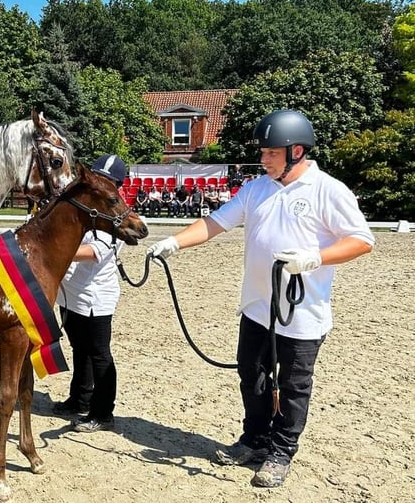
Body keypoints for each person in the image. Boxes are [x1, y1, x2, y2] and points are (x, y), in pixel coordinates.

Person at [147, 110, 374, 488]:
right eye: (263, 152)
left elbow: (362, 240)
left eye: (271, 153)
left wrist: (315, 258)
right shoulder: (255, 189)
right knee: (251, 376)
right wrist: (173, 242)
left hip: (301, 314)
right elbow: (216, 222)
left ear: (297, 151)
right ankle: (254, 439)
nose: (263, 159)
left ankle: (281, 452)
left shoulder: (328, 190)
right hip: (256, 307)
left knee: (293, 385)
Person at [52, 154, 127, 433]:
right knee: (79, 349)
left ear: (116, 186)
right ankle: (80, 398)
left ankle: (103, 411)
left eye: (107, 181)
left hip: (95, 296)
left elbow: (93, 252)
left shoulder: (112, 215)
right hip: (70, 293)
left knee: (99, 354)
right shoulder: (84, 207)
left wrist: (54, 251)